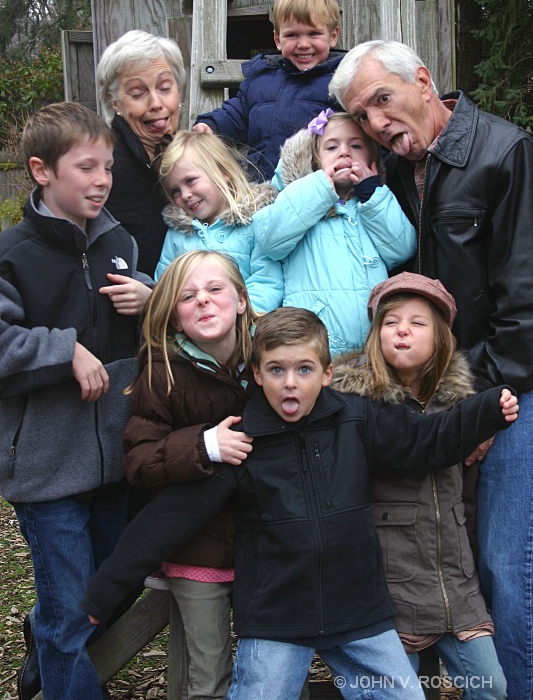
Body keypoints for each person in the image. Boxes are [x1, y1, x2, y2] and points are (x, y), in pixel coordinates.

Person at [83, 307, 518, 700]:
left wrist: (485, 411)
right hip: (277, 618)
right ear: (256, 373)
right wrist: (103, 595)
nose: (290, 382)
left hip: (359, 612)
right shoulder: (242, 440)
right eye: (276, 369)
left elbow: (423, 443)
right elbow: (168, 519)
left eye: (304, 369)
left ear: (327, 373)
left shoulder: (356, 418)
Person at [329, 39, 533, 700]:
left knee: (506, 564)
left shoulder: (504, 153)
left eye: (381, 100)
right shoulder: (387, 175)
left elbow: (525, 306)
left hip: (508, 389)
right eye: (362, 115)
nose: (376, 123)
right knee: (447, 558)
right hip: (426, 405)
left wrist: (470, 406)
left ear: (422, 80)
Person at [0, 102, 153, 700]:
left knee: (109, 592)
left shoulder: (121, 243)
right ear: (42, 171)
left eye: (108, 167)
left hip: (115, 459)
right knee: (70, 616)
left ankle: (44, 663)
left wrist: (150, 301)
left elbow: (147, 338)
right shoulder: (12, 254)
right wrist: (63, 351)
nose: (102, 180)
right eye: (86, 167)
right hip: (46, 469)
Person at [332, 272, 507, 700]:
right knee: (396, 694)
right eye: (390, 322)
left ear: (442, 336)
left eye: (418, 322)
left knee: (493, 688)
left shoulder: (462, 404)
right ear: (376, 335)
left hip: (455, 584)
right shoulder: (356, 403)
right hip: (391, 585)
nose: (402, 330)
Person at [122, 250, 257, 699]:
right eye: (187, 296)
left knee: (273, 666)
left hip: (266, 541)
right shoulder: (162, 374)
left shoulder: (270, 359)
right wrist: (203, 446)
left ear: (240, 300)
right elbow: (139, 461)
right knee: (207, 675)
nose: (203, 300)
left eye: (215, 289)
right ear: (175, 319)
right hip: (195, 546)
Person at [251, 109, 416, 356]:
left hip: (374, 348)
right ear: (315, 160)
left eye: (356, 146)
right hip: (313, 343)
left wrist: (372, 194)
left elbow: (403, 248)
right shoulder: (298, 199)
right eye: (331, 147)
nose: (344, 152)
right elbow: (270, 240)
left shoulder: (373, 205)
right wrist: (319, 187)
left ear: (372, 157)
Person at [193, 0, 346, 180]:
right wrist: (212, 125)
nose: (303, 44)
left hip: (318, 187)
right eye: (292, 35)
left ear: (333, 36)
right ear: (277, 40)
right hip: (263, 184)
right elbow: (237, 114)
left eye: (314, 34)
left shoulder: (341, 83)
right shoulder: (261, 80)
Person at [154, 130, 283, 313]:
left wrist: (239, 320)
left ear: (222, 172)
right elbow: (165, 287)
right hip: (190, 334)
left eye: (190, 181)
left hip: (245, 330)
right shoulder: (178, 235)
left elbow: (267, 282)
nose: (185, 195)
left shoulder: (254, 223)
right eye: (175, 191)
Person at [96, 29, 187, 277]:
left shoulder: (190, 156)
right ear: (115, 102)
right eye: (138, 93)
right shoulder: (105, 166)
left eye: (165, 88)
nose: (156, 103)